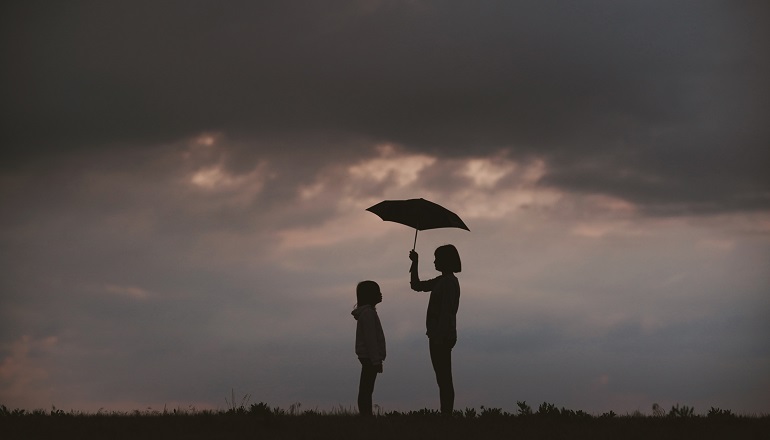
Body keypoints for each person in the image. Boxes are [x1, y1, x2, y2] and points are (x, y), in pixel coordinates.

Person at [409, 244, 461, 416]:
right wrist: (415, 263)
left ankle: (446, 415)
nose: (434, 261)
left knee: (444, 378)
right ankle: (446, 414)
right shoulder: (442, 281)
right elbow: (416, 285)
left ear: (446, 261)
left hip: (442, 337)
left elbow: (447, 312)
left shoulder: (448, 282)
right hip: (439, 336)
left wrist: (439, 336)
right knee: (442, 377)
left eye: (437, 258)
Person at [351, 280, 386, 417]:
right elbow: (371, 339)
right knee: (367, 389)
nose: (380, 294)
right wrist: (376, 361)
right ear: (370, 295)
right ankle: (366, 415)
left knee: (366, 388)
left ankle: (366, 414)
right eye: (377, 292)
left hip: (368, 357)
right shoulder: (368, 314)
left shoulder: (368, 313)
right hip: (369, 358)